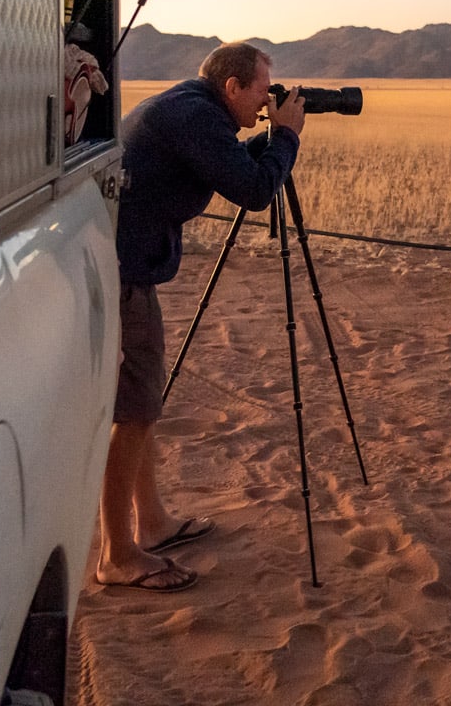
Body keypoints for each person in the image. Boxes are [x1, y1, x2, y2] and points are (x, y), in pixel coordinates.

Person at [95, 41, 306, 591]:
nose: (267, 100)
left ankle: (154, 521)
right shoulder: (195, 116)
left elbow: (229, 164)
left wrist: (270, 136)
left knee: (141, 402)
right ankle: (117, 554)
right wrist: (285, 137)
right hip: (121, 274)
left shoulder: (192, 108)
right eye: (262, 90)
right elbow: (256, 190)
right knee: (136, 409)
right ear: (232, 87)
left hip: (126, 266)